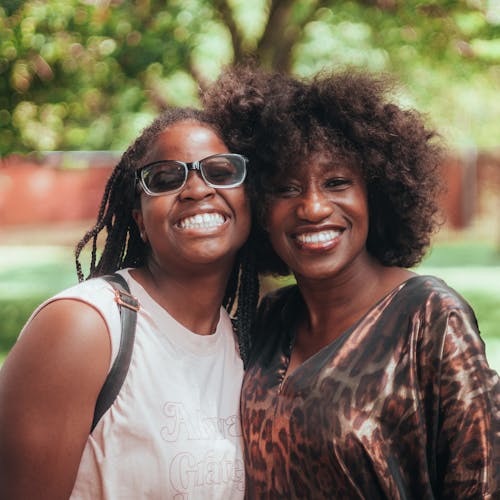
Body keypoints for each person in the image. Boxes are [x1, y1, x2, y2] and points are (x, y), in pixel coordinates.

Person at [203, 67, 500, 498]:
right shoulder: (270, 319)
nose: (313, 207)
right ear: (260, 209)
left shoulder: (429, 316)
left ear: (376, 193)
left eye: (337, 183)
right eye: (286, 189)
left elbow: (481, 481)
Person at [0, 107, 259, 499]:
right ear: (139, 219)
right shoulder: (85, 327)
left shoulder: (243, 344)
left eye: (220, 172)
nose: (196, 189)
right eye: (166, 178)